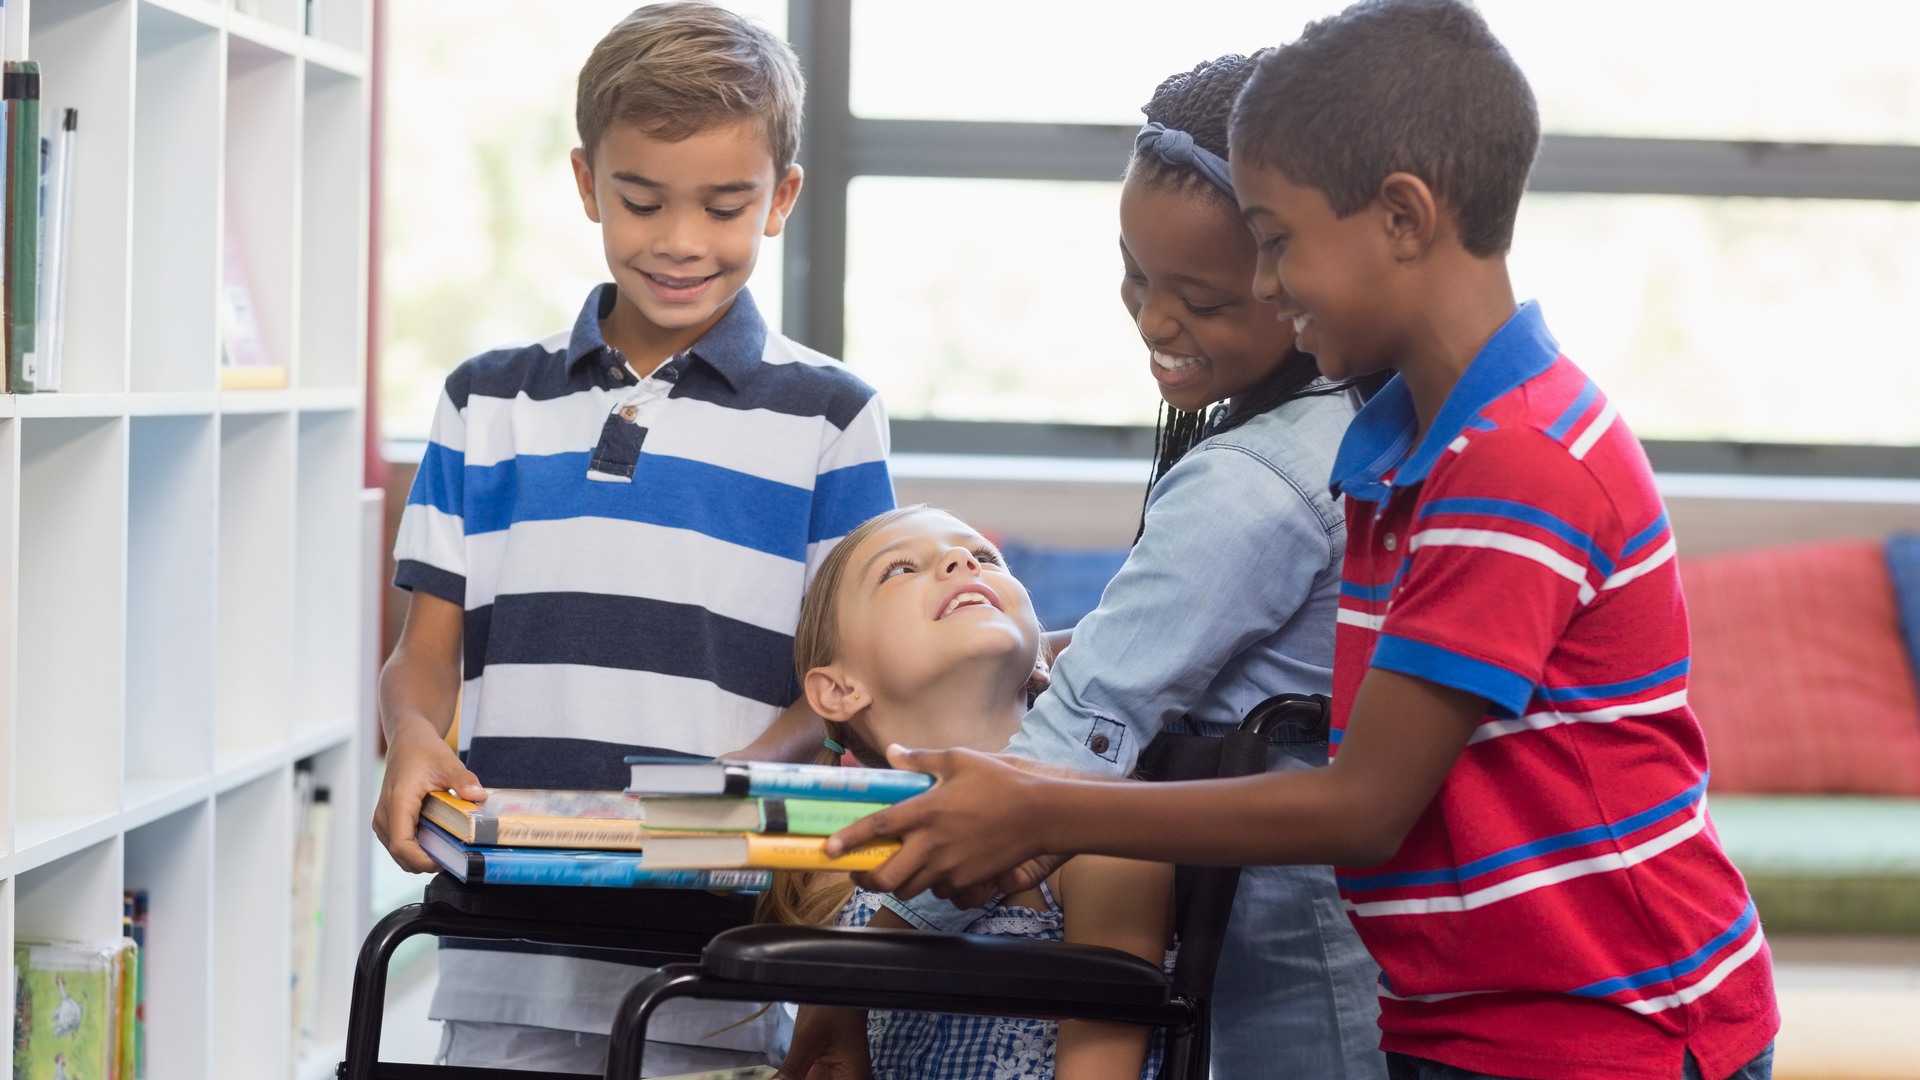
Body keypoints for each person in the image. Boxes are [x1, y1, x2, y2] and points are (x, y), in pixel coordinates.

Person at [827, 3, 1781, 1078]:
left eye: (1277, 245)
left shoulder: (1517, 462)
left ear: (1404, 219)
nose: (1270, 286)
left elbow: (1364, 805)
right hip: (1459, 1014)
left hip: (1608, 1027)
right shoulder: (1397, 444)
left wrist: (1040, 803)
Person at [371, 4, 894, 1072]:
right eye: (642, 200)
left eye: (724, 204)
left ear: (782, 198)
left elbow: (849, 677)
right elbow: (424, 657)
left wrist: (737, 782)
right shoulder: (485, 400)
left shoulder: (832, 417)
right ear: (585, 184)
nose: (680, 241)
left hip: (716, 955)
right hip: (503, 934)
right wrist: (413, 737)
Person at [767, 504, 1176, 1080]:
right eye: (900, 569)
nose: (963, 559)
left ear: (1040, 653)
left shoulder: (1102, 836)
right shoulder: (830, 854)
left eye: (985, 557)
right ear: (837, 690)